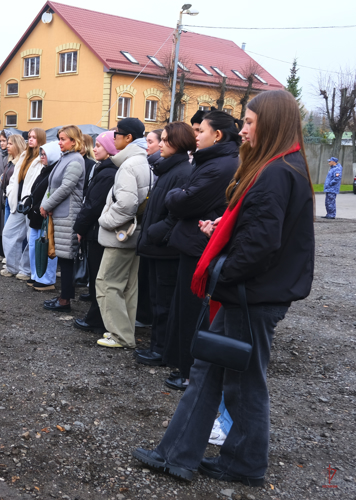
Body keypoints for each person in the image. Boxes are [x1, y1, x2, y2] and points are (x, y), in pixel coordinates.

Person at [133, 90, 315, 486]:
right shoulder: (283, 166)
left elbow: (261, 245)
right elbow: (265, 234)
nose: (243, 130)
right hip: (253, 294)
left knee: (237, 382)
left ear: (272, 123)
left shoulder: (275, 172)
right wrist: (225, 233)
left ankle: (208, 459)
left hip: (249, 296)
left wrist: (221, 269)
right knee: (219, 376)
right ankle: (195, 457)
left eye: (249, 122)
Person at [161, 111, 240, 391]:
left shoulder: (220, 166)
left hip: (199, 244)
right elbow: (183, 194)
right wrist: (180, 194)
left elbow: (183, 201)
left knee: (193, 312)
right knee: (183, 310)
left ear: (217, 135)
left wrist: (177, 195)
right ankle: (184, 367)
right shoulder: (212, 162)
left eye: (201, 131)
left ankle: (190, 372)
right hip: (192, 241)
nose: (196, 135)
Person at [134, 123, 195, 366]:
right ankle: (158, 346)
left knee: (164, 303)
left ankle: (161, 350)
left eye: (165, 140)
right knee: (157, 299)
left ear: (178, 143)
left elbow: (177, 212)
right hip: (155, 245)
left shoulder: (181, 172)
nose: (160, 144)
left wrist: (156, 231)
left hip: (165, 249)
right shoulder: (167, 169)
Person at [95, 117, 152, 348]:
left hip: (121, 234)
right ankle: (125, 333)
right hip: (134, 233)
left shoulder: (128, 165)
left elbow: (127, 204)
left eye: (117, 133)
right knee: (128, 286)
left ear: (128, 138)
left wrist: (104, 220)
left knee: (107, 283)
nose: (113, 136)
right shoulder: (142, 161)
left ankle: (120, 335)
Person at [72, 131, 118, 333]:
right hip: (94, 229)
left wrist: (80, 227)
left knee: (99, 275)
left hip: (97, 230)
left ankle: (96, 319)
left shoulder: (108, 173)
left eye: (100, 145)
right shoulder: (103, 169)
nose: (95, 148)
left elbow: (93, 205)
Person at [41, 125, 85, 311]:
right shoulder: (65, 158)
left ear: (74, 141)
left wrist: (47, 205)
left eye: (63, 139)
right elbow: (52, 186)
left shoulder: (75, 160)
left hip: (68, 215)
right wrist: (45, 204)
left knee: (67, 260)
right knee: (63, 259)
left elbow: (65, 188)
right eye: (59, 138)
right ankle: (63, 297)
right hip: (59, 213)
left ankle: (65, 300)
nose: (59, 142)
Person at [2, 128, 45, 279]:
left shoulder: (42, 159)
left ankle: (25, 270)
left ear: (40, 139)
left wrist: (32, 201)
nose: (30, 139)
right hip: (18, 202)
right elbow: (14, 178)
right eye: (29, 137)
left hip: (31, 204)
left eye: (34, 137)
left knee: (30, 237)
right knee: (8, 233)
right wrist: (9, 191)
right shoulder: (24, 156)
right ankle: (12, 267)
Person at [136, 128, 164, 329]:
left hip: (155, 231)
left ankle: (146, 316)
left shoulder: (159, 167)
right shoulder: (152, 164)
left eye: (151, 141)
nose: (149, 145)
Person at [26, 142, 61, 291]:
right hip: (36, 214)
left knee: (46, 247)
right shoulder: (45, 170)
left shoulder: (55, 171)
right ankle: (36, 274)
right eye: (41, 154)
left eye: (44, 154)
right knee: (34, 246)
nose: (41, 157)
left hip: (45, 215)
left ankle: (46, 278)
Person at [0, 130, 16, 260]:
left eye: (5, 140)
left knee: (6, 224)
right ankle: (0, 251)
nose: (2, 143)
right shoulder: (0, 156)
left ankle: (7, 253)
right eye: (0, 141)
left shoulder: (12, 157)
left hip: (7, 193)